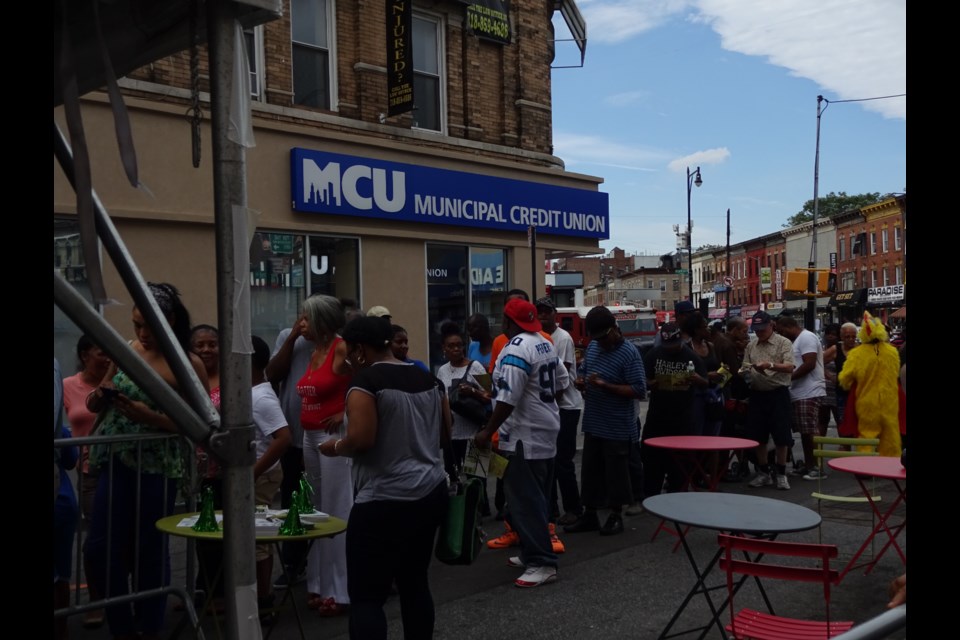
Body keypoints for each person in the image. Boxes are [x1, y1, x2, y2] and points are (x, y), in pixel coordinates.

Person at [85, 282, 209, 640]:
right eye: (136, 324)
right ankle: (122, 626)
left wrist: (149, 417)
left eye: (149, 326)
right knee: (101, 548)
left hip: (158, 465)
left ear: (169, 321)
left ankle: (149, 626)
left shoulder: (187, 362)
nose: (142, 333)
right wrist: (101, 397)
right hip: (115, 457)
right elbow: (98, 394)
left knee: (149, 549)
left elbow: (201, 423)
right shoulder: (128, 349)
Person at [318, 316, 448, 639]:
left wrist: (334, 446)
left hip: (383, 499)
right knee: (415, 584)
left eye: (349, 351)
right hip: (429, 492)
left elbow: (362, 439)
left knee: (366, 597)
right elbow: (446, 432)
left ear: (360, 350)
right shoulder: (427, 378)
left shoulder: (366, 382)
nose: (346, 359)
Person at [475, 298, 567, 587]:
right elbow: (562, 383)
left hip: (522, 438)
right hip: (544, 432)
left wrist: (486, 431)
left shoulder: (515, 347)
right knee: (532, 498)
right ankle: (531, 553)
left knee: (526, 501)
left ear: (506, 321)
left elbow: (508, 399)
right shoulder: (544, 342)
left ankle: (542, 562)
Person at [564, 305, 646, 537]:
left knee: (616, 473)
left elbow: (639, 389)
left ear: (615, 330)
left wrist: (605, 386)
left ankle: (615, 515)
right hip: (594, 421)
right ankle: (590, 514)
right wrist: (581, 382)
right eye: (596, 338)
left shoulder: (629, 353)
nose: (601, 342)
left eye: (603, 337)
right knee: (590, 471)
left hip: (618, 424)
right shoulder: (593, 348)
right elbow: (585, 372)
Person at [296, 293, 352, 615]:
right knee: (316, 509)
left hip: (334, 436)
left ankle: (341, 590)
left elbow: (367, 381)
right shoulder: (314, 350)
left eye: (305, 318)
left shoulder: (341, 347)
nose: (300, 324)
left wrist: (344, 413)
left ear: (322, 320)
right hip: (310, 435)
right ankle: (319, 583)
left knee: (337, 508)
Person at [62, 335, 111, 628]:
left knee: (123, 534)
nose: (106, 359)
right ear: (84, 355)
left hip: (125, 464)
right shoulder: (68, 385)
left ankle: (120, 595)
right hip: (91, 471)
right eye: (100, 353)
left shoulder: (121, 381)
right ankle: (96, 600)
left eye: (110, 354)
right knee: (95, 538)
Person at [265, 307, 314, 587]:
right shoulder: (289, 337)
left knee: (321, 501)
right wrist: (291, 337)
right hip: (294, 439)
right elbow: (272, 373)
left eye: (311, 317)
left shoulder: (335, 342)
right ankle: (293, 564)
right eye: (302, 317)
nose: (305, 322)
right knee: (292, 501)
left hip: (322, 439)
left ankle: (319, 560)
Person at [249, 336, 292, 620]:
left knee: (258, 537)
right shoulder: (252, 392)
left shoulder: (260, 397)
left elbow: (283, 438)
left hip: (262, 474)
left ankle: (263, 599)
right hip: (259, 472)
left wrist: (253, 472)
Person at [639, 322, 706, 497]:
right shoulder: (654, 354)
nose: (670, 349)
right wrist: (651, 383)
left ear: (681, 340)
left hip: (683, 419)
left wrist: (697, 379)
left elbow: (706, 383)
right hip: (657, 418)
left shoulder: (691, 356)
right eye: (667, 346)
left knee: (681, 463)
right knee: (652, 460)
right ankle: (650, 495)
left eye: (674, 346)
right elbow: (642, 380)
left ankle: (677, 495)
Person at [536, 297, 584, 527]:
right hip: (548, 406)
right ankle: (551, 508)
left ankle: (574, 508)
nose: (543, 315)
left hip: (566, 406)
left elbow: (561, 378)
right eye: (539, 312)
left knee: (563, 460)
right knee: (548, 461)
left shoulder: (562, 338)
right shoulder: (537, 338)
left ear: (555, 314)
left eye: (547, 312)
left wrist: (544, 403)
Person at [741, 311, 796, 491]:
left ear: (771, 325)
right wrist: (745, 372)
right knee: (758, 436)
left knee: (782, 436)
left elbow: (789, 366)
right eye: (756, 330)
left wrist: (770, 365)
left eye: (762, 329)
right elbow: (745, 366)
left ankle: (781, 473)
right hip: (757, 393)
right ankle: (763, 472)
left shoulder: (783, 343)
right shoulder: (751, 345)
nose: (759, 333)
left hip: (778, 393)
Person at [838, 312, 903, 458]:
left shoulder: (857, 353)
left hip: (867, 402)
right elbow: (896, 373)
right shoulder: (892, 352)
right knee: (890, 432)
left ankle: (865, 466)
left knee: (867, 434)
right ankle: (891, 463)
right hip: (890, 401)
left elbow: (844, 379)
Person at [775, 314, 826, 480]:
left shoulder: (806, 337)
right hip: (799, 392)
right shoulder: (797, 340)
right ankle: (809, 465)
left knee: (810, 430)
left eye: (782, 331)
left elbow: (809, 364)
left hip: (809, 391)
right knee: (804, 431)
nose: (781, 335)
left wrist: (789, 378)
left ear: (789, 326)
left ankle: (817, 468)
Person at [435, 321, 490, 471]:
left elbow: (492, 395)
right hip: (451, 437)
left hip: (476, 436)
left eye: (459, 345)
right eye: (451, 346)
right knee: (454, 482)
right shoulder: (442, 371)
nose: (456, 349)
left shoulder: (476, 366)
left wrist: (473, 392)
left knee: (477, 482)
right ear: (444, 348)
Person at [54, 359, 79, 640]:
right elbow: (71, 461)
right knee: (62, 572)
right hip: (65, 501)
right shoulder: (60, 432)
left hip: (61, 504)